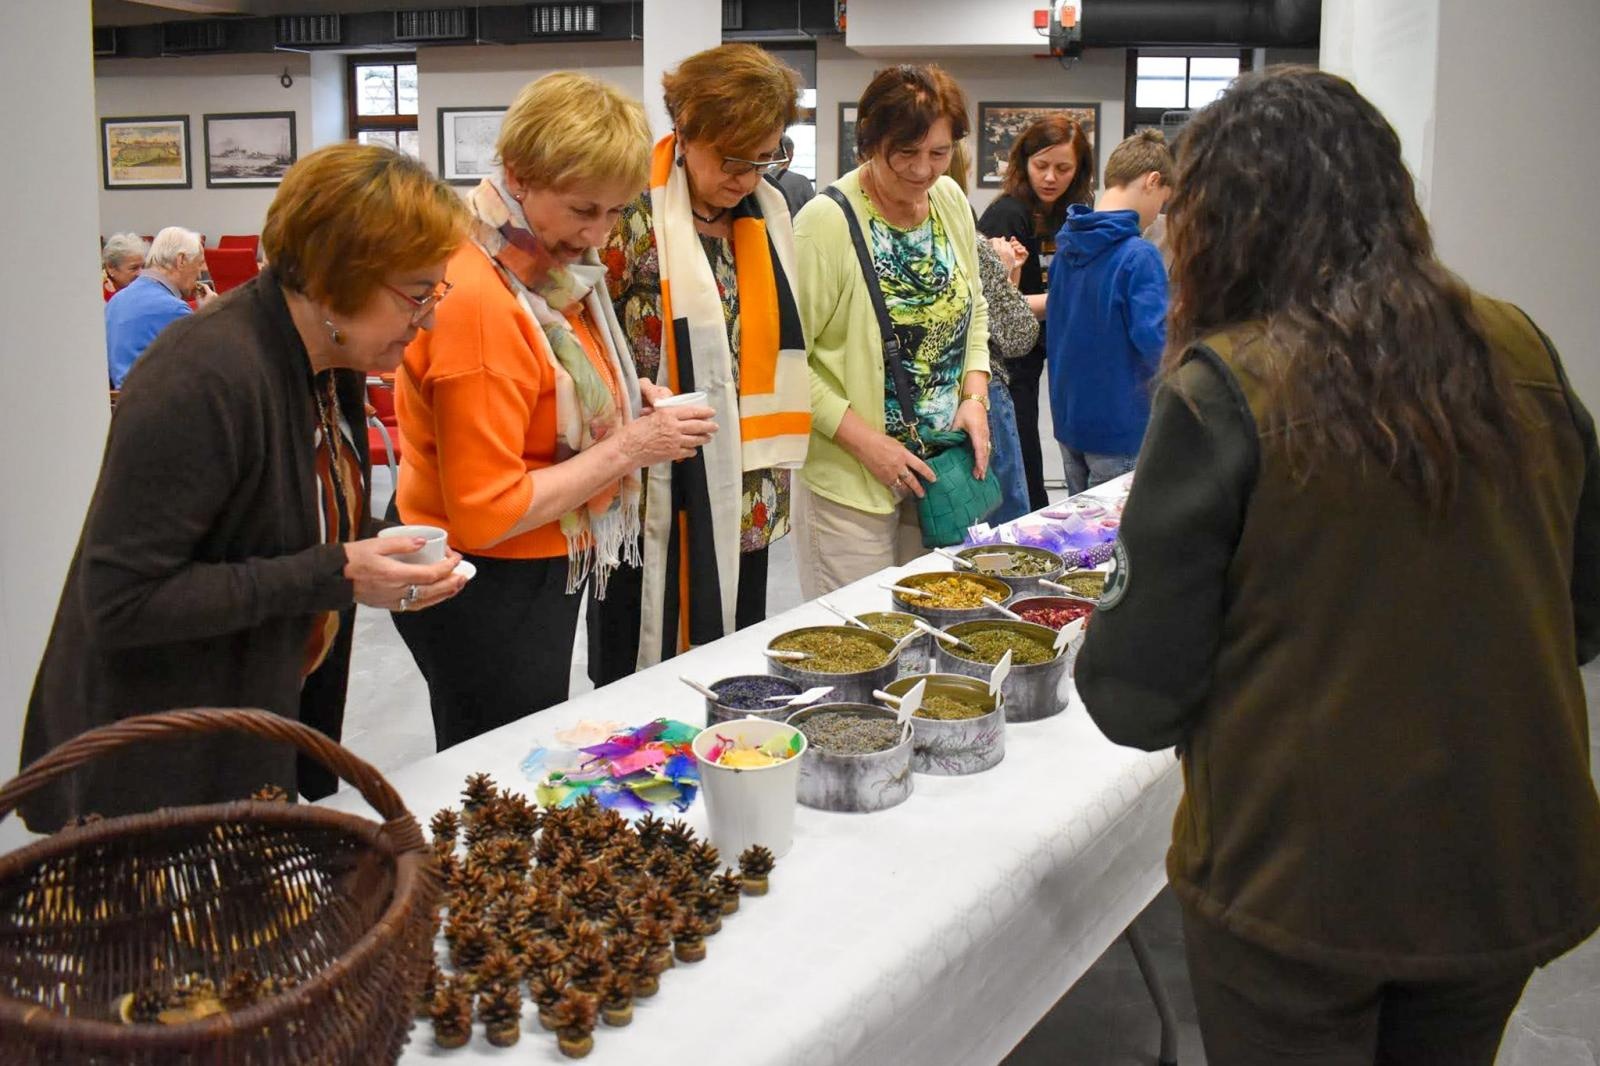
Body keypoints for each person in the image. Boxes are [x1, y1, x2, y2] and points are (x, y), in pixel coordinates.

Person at [1076, 67, 1600, 1065]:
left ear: (1221, 222)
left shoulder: (1225, 386)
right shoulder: (1517, 345)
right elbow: (1583, 604)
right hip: (1502, 858)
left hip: (1298, 878)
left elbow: (1135, 693)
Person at [20, 144, 468, 829]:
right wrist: (335, 573)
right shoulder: (202, 376)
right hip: (155, 766)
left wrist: (380, 550)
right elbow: (121, 600)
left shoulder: (328, 354)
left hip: (250, 723)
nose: (429, 317)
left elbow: (290, 522)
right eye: (416, 293)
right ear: (333, 277)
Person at [391, 72, 717, 750]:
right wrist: (631, 445)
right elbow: (487, 511)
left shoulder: (530, 265)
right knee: (496, 762)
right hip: (485, 580)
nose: (597, 234)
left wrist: (630, 401)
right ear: (519, 174)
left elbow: (556, 379)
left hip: (530, 561)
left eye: (615, 213)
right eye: (582, 210)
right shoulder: (479, 301)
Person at [591, 44, 809, 684]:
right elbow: (579, 329)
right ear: (683, 132)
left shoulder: (768, 215)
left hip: (748, 483)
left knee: (735, 654)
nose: (748, 174)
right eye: (732, 155)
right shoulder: (631, 212)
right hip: (650, 476)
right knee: (633, 656)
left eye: (765, 154)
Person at [792, 64, 990, 598]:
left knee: (934, 623)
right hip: (852, 483)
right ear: (869, 143)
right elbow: (786, 362)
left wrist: (975, 396)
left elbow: (974, 311)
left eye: (939, 152)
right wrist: (869, 445)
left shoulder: (949, 202)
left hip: (937, 470)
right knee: (862, 635)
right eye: (906, 153)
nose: (924, 170)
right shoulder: (825, 223)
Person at [1045, 129, 1173, 493]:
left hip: (1070, 421)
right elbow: (1157, 345)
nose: (1157, 214)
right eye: (1162, 200)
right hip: (1122, 427)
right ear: (1152, 181)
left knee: (1084, 539)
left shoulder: (1066, 246)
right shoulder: (1139, 255)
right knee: (1116, 544)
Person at [978, 115, 1094, 510]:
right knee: (1021, 455)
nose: (1050, 177)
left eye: (1063, 168)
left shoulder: (1077, 212)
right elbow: (997, 307)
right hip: (1007, 358)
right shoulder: (1007, 214)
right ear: (1023, 162)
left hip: (1053, 348)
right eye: (1041, 166)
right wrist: (1070, 298)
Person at [947, 137, 1035, 523]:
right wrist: (1004, 269)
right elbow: (1016, 334)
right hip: (980, 393)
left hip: (926, 398)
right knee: (1002, 527)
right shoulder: (966, 235)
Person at [105, 226, 216, 388]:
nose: (200, 274)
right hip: (157, 405)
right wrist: (211, 315)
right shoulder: (173, 309)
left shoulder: (115, 301)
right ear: (181, 260)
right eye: (198, 264)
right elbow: (209, 365)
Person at [771, 133, 815, 218]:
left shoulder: (761, 179)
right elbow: (813, 214)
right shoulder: (802, 182)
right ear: (790, 154)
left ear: (772, 155)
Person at [101, 232, 146, 302]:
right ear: (111, 268)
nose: (141, 273)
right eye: (134, 268)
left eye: (143, 267)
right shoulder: (99, 295)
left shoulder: (144, 290)